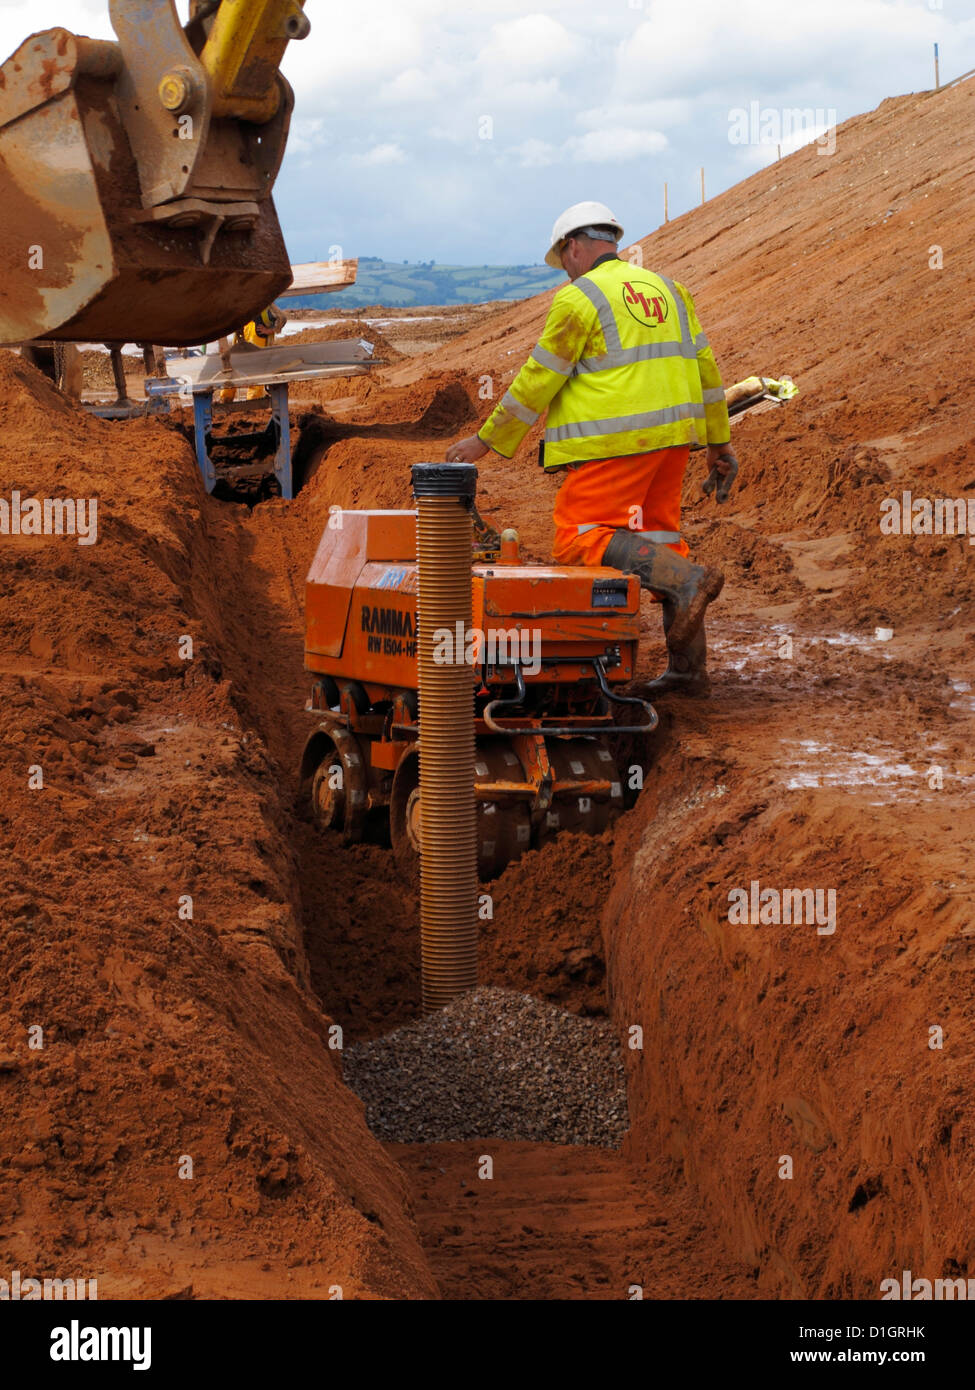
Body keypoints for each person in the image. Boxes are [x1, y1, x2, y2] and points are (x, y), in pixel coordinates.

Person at [445, 201, 738, 695]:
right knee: (661, 540)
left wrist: (485, 441)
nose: (566, 271)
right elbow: (707, 372)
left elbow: (538, 378)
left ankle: (689, 583)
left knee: (580, 538)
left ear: (574, 247)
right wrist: (718, 443)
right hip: (672, 442)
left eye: (564, 262)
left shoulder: (579, 299)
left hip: (616, 444)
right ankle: (689, 673)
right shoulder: (671, 289)